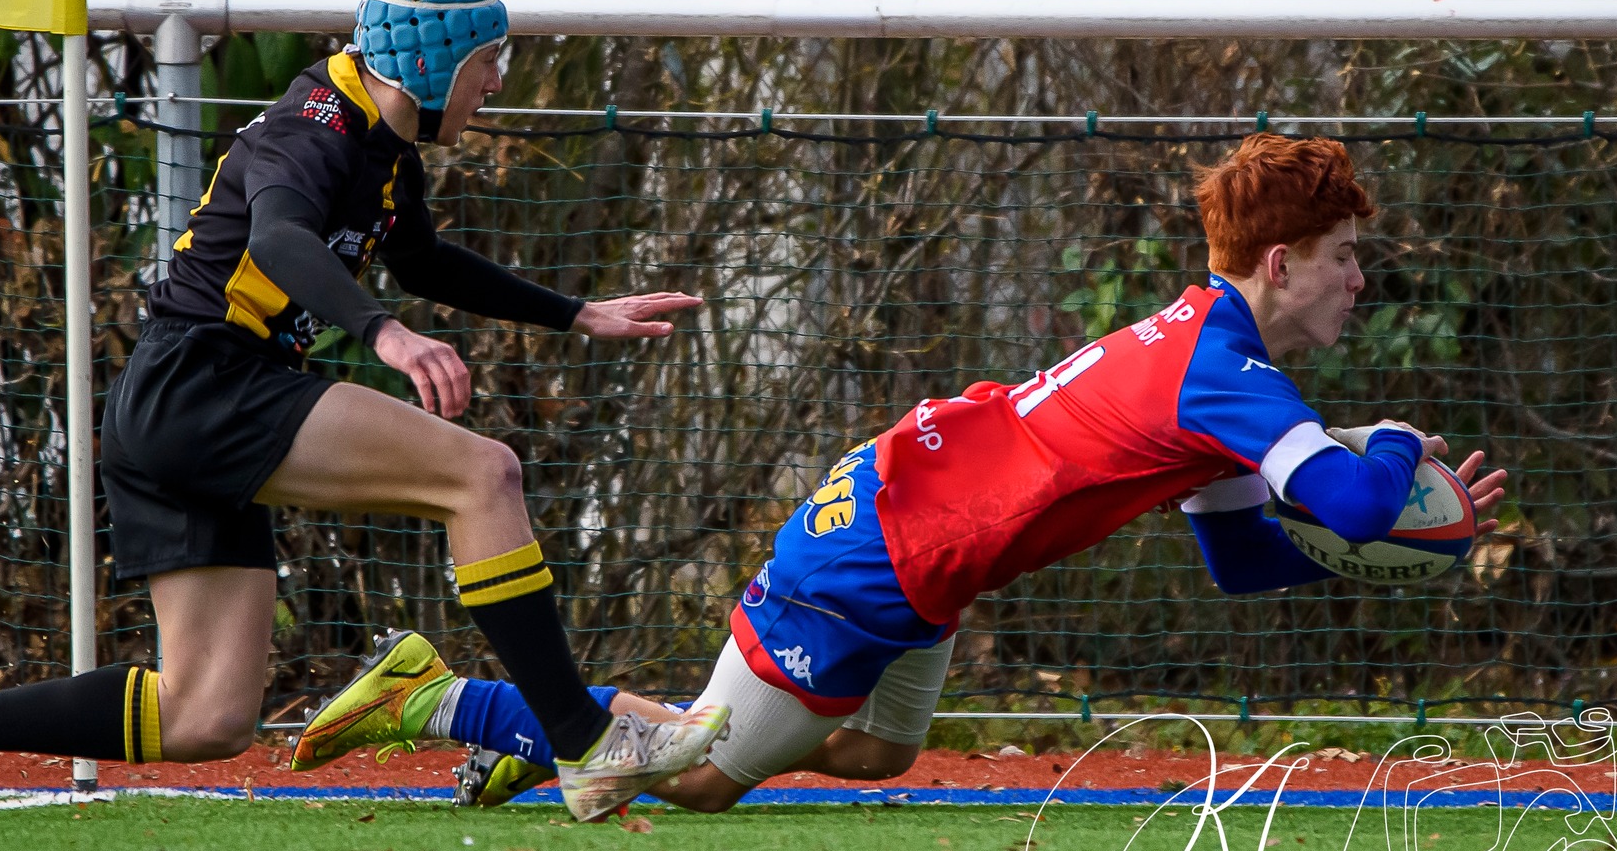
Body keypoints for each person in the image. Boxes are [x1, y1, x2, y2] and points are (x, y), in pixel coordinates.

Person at [289, 134, 1507, 812]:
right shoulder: (1225, 374)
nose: (1359, 277)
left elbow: (1242, 557)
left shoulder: (1210, 356)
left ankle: (565, 733)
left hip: (926, 533)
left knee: (874, 753)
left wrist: (1397, 541)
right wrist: (1395, 456)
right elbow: (1347, 494)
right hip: (887, 543)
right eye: (1345, 255)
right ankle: (438, 697)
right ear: (1282, 262)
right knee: (706, 776)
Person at [0, 0, 728, 822]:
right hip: (205, 380)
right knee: (483, 477)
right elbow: (280, 239)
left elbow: (425, 260)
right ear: (432, 59)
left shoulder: (381, 144)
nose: (496, 82)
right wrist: (383, 332)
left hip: (174, 405)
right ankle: (583, 742)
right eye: (488, 59)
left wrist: (579, 312)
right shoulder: (313, 128)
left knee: (206, 716)